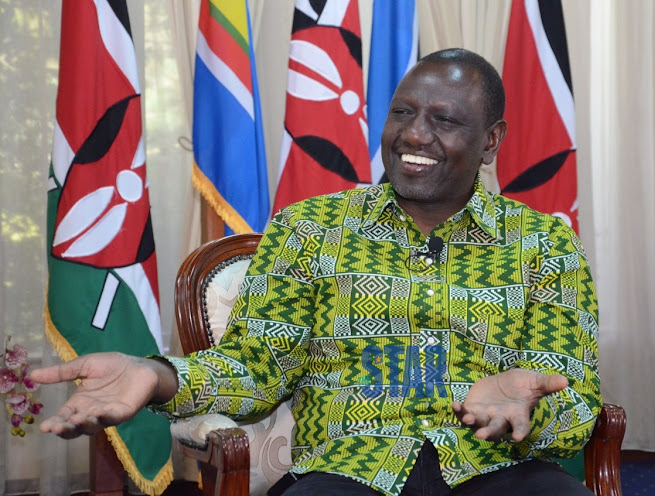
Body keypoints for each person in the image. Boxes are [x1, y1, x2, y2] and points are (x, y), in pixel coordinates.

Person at [31, 48, 600, 496]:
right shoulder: (310, 228)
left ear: (490, 142)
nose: (415, 135)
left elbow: (576, 406)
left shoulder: (541, 243)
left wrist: (530, 404)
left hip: (496, 468)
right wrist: (160, 376)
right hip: (349, 470)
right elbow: (255, 371)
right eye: (403, 112)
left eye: (445, 120)